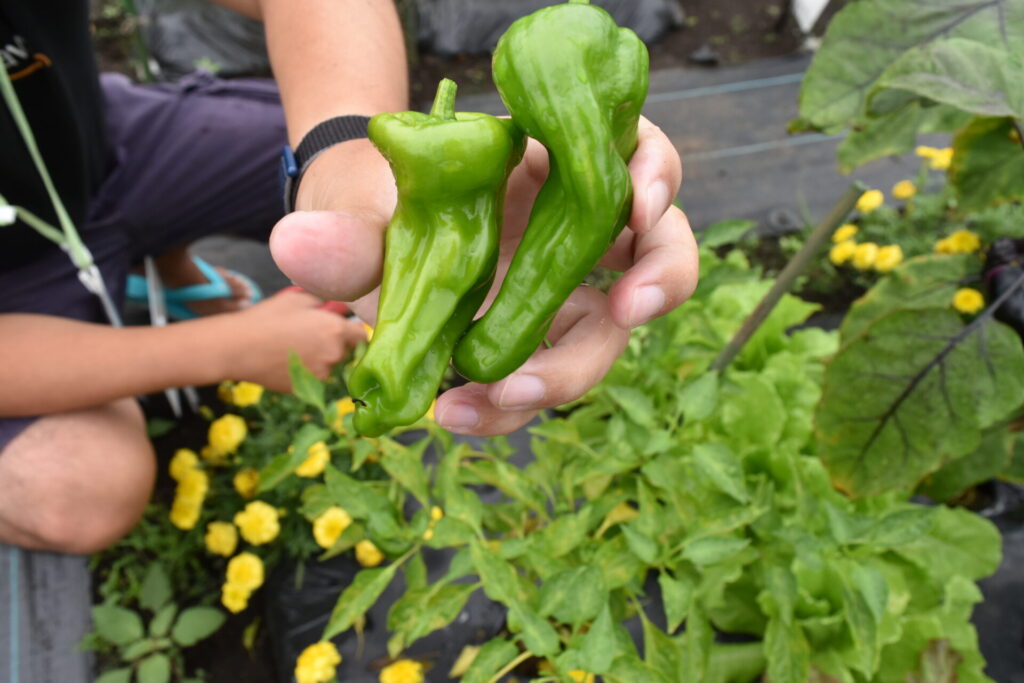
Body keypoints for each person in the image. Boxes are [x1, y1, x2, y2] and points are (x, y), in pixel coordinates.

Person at [0, 0, 697, 555]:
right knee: (85, 486)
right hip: (16, 275)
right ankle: (115, 294)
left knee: (300, 148)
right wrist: (229, 350)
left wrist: (344, 168)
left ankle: (151, 268)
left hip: (92, 149)